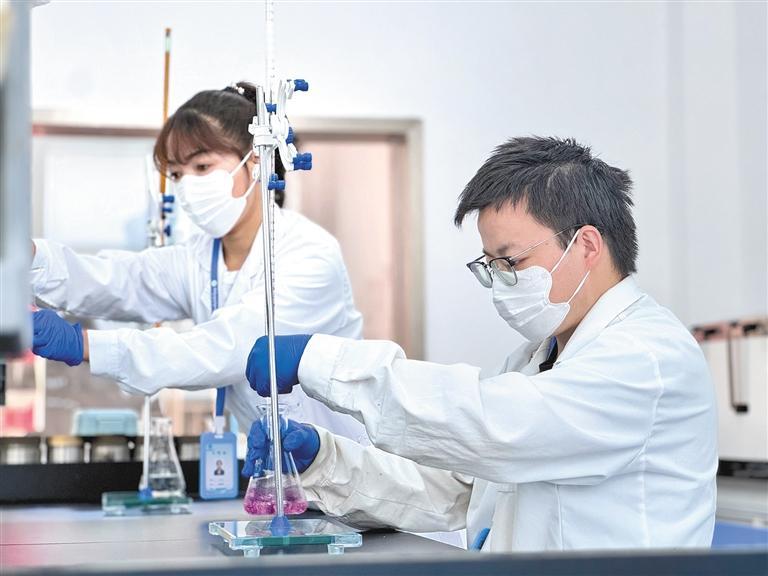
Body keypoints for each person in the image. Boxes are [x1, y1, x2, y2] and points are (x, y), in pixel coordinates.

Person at [242, 137, 718, 552]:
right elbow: (456, 489)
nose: (500, 283)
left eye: (511, 262)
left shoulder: (647, 357)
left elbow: (497, 427)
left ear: (587, 245)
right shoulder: (537, 359)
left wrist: (323, 361)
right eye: (490, 265)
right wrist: (323, 460)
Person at [30, 82, 367, 443]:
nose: (188, 187)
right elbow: (119, 280)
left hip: (349, 465)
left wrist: (83, 344)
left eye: (203, 166)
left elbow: (227, 349)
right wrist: (25, 258)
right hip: (275, 462)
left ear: (256, 160)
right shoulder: (199, 257)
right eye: (177, 174)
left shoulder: (309, 253)